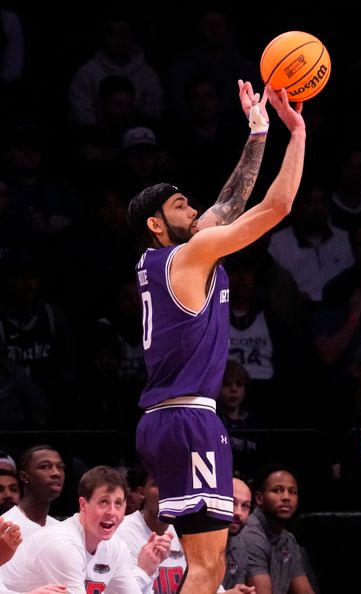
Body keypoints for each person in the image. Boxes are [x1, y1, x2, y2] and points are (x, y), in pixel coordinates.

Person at [128, 79, 305, 594]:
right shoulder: (188, 255)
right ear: (158, 224)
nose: (195, 210)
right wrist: (295, 134)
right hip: (190, 419)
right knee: (207, 565)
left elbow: (227, 206)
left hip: (162, 418)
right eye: (182, 206)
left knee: (201, 560)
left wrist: (257, 133)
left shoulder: (162, 260)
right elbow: (277, 207)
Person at [0, 465, 171, 594]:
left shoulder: (116, 546)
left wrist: (145, 572)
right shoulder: (62, 544)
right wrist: (142, 572)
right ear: (83, 505)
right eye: (103, 502)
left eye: (118, 503)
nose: (112, 512)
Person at [242, 464, 317, 594]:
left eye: (292, 491)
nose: (286, 497)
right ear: (259, 498)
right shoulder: (250, 535)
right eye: (278, 490)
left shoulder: (288, 540)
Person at [115, 471, 185, 594]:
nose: (166, 491)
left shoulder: (186, 533)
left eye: (172, 484)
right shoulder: (123, 532)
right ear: (142, 492)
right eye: (157, 484)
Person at [1, 445, 64, 538]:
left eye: (60, 467)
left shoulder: (62, 529)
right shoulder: (5, 526)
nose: (56, 473)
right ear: (24, 476)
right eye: (45, 466)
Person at [221, 477, 254, 593]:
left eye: (245, 506)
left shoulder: (239, 545)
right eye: (232, 502)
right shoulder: (192, 543)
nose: (238, 513)